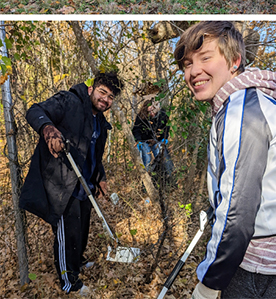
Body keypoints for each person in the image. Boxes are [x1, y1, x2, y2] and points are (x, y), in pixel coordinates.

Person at [174, 22, 276, 299]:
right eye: (187, 64)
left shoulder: (242, 112)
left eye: (206, 58)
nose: (193, 72)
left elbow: (238, 212)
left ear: (234, 61)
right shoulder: (257, 101)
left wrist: (210, 282)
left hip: (262, 260)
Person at [19, 71, 124, 296]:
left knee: (82, 229)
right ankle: (70, 282)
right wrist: (48, 129)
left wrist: (101, 178)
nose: (105, 100)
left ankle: (78, 261)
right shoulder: (69, 102)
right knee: (68, 231)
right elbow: (35, 110)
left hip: (85, 185)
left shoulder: (101, 123)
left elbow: (94, 155)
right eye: (102, 92)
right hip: (61, 184)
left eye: (110, 97)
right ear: (91, 90)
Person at [131, 83, 173, 177]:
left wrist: (164, 139)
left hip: (156, 141)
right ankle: (145, 183)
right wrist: (138, 141)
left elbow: (167, 127)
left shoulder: (163, 115)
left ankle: (162, 179)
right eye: (150, 111)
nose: (152, 113)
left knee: (161, 156)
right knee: (146, 158)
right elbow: (136, 129)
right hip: (144, 141)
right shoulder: (141, 116)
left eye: (154, 110)